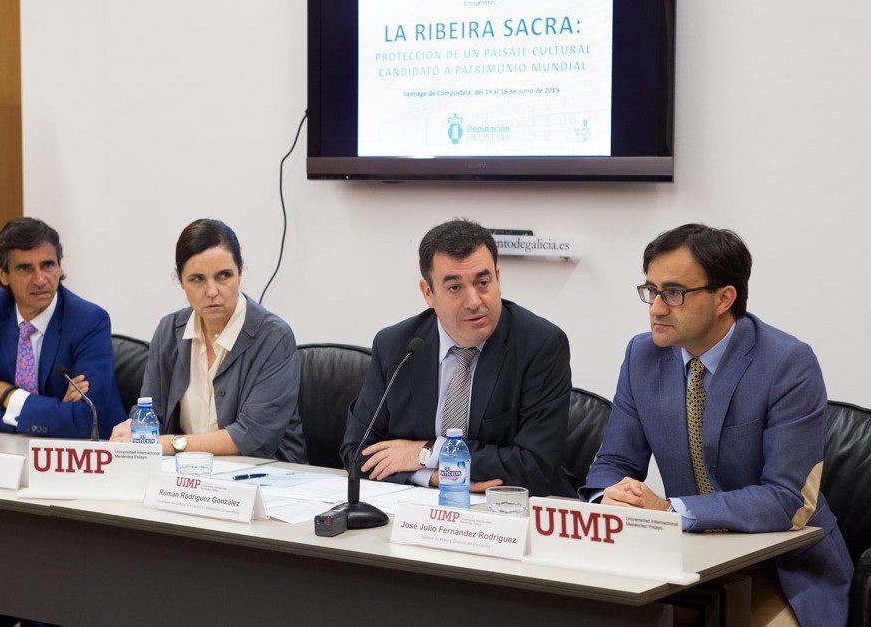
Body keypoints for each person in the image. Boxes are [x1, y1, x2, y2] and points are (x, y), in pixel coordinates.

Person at [582, 224, 852, 626]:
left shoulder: (787, 364)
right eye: (651, 291)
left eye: (673, 293)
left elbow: (786, 499)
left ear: (724, 297)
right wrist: (611, 497)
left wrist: (672, 510)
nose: (656, 308)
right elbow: (614, 462)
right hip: (679, 563)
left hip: (779, 568)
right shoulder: (643, 356)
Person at [340, 219, 573, 495]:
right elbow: (358, 452)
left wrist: (427, 453)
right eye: (455, 288)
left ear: (498, 278)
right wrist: (433, 478)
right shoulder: (397, 346)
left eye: (483, 282)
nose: (474, 300)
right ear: (429, 293)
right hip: (419, 509)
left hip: (510, 513)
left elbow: (535, 466)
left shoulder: (540, 345)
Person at [110, 219, 306, 462]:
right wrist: (134, 430)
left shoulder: (274, 337)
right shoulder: (169, 331)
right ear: (180, 281)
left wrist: (170, 443)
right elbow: (151, 414)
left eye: (223, 276)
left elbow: (252, 437)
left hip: (269, 478)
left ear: (240, 273)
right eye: (197, 279)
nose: (212, 291)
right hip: (189, 477)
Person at [0, 217, 125, 439]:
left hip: (88, 454)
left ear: (59, 266)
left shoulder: (89, 321)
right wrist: (48, 415)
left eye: (47, 265)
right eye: (25, 268)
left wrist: (9, 398)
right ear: (3, 274)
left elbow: (85, 418)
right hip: (11, 450)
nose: (40, 279)